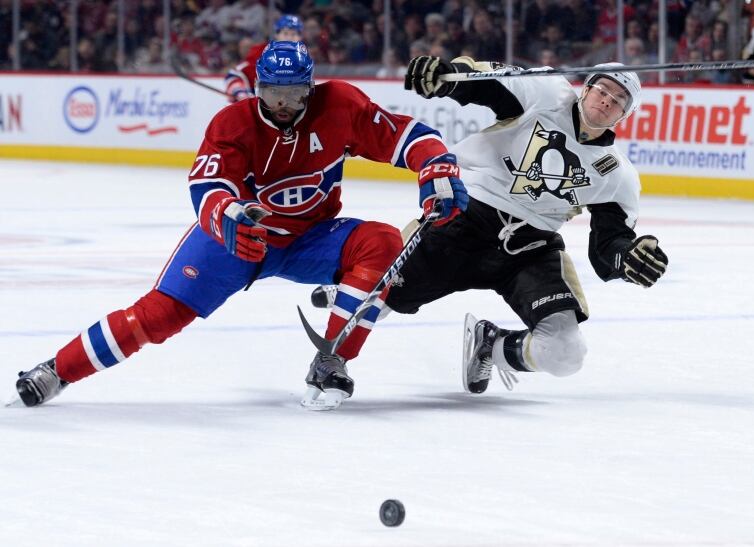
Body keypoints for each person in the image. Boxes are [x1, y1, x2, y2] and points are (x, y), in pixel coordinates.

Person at [13, 42, 468, 411]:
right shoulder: (232, 124)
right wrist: (226, 218)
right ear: (257, 88)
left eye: (294, 94)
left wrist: (437, 167)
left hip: (310, 239)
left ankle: (332, 361)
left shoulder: (340, 105)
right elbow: (208, 187)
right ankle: (58, 369)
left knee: (382, 243)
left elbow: (405, 134)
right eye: (273, 94)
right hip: (236, 243)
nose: (284, 105)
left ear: (311, 88)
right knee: (156, 318)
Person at [312, 55, 669, 395]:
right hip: (463, 223)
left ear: (625, 114)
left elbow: (609, 247)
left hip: (528, 250)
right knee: (379, 300)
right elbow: (488, 84)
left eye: (619, 100)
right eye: (603, 90)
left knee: (565, 353)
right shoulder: (548, 93)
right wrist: (448, 78)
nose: (607, 101)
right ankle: (334, 348)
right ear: (586, 88)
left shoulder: (617, 175)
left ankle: (490, 347)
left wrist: (628, 256)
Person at [224, 14, 303, 102]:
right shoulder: (262, 51)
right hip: (259, 108)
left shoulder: (303, 58)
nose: (289, 38)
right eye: (285, 33)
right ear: (277, 34)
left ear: (300, 37)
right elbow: (235, 74)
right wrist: (239, 91)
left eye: (294, 34)